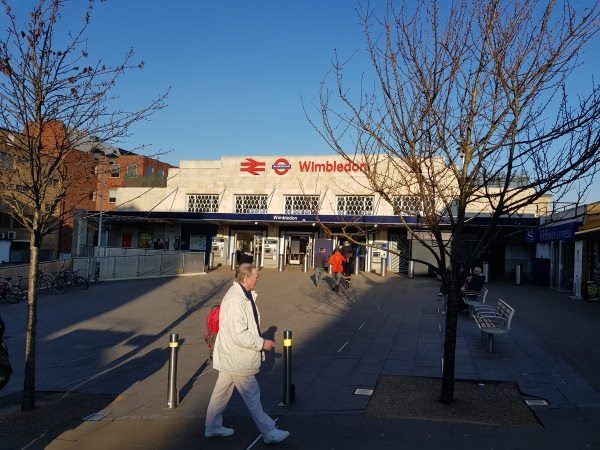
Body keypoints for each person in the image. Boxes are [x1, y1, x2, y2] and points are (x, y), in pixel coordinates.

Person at [205, 263, 289, 444]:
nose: (258, 279)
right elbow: (239, 335)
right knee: (252, 395)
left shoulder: (243, 295)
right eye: (256, 276)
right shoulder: (236, 299)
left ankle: (212, 426)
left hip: (231, 355)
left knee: (221, 393)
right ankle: (268, 431)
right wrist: (262, 343)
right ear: (246, 278)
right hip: (237, 356)